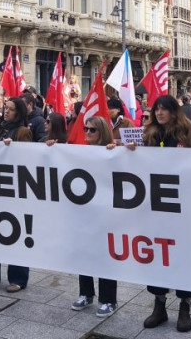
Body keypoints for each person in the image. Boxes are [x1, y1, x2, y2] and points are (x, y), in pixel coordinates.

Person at [133, 94, 191, 332]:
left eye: (164, 109)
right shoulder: (148, 134)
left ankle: (184, 306)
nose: (159, 113)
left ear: (174, 112)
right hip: (154, 205)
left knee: (181, 253)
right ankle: (159, 305)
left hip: (180, 207)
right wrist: (128, 151)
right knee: (157, 252)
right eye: (156, 109)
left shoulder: (187, 136)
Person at [68, 116, 119, 317]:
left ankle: (109, 300)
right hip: (84, 211)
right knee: (84, 251)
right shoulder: (80, 152)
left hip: (106, 213)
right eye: (86, 129)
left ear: (102, 132)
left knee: (105, 256)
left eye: (92, 130)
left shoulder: (113, 152)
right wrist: (51, 147)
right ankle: (86, 293)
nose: (87, 133)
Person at [0, 98, 31, 293]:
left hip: (13, 189)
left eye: (10, 109)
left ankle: (18, 277)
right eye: (5, 108)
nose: (6, 112)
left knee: (14, 232)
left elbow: (26, 158)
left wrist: (14, 148)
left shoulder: (22, 132)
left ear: (19, 112)